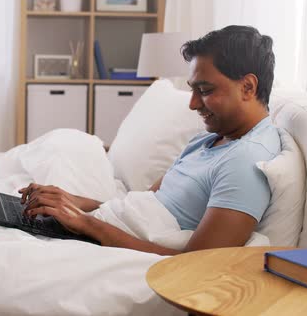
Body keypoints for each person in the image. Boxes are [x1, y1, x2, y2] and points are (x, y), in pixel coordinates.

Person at [19, 25, 281, 256]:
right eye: (193, 90)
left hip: (102, 239)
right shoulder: (209, 139)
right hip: (105, 226)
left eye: (205, 90)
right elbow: (147, 202)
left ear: (248, 87)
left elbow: (197, 264)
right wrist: (71, 203)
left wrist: (86, 224)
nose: (192, 104)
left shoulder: (245, 163)